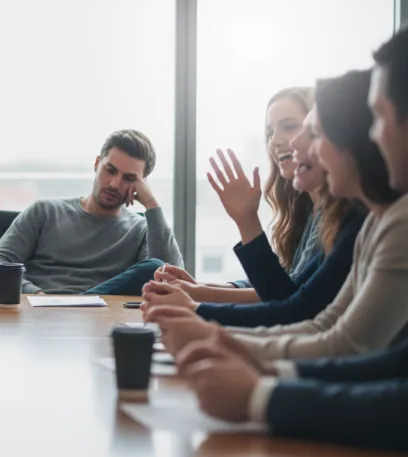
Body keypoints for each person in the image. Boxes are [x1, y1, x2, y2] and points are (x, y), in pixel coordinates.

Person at [166, 28, 408, 454]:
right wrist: (213, 325)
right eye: (276, 131)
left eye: (307, 132)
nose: (292, 145)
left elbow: (305, 311)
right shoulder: (372, 221)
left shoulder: (377, 221)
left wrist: (252, 380)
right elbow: (330, 326)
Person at [145, 69, 405, 361]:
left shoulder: (365, 218)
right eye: (270, 132)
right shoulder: (352, 218)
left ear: (349, 136)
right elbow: (303, 304)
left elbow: (294, 305)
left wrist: (200, 311)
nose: (285, 142)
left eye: (306, 130)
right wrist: (201, 295)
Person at [158, 88, 323, 305]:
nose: (275, 142)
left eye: (289, 126)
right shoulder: (306, 209)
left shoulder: (332, 215)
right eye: (270, 133)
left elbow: (285, 298)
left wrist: (197, 296)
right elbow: (278, 283)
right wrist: (197, 288)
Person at [0, 129, 183, 295]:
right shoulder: (45, 212)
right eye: (110, 170)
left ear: (141, 184)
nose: (114, 184)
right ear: (97, 164)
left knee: (154, 267)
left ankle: (80, 303)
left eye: (129, 179)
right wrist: (37, 295)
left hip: (102, 320)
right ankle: (74, 305)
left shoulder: (141, 230)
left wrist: (152, 206)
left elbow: (172, 281)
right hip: (42, 315)